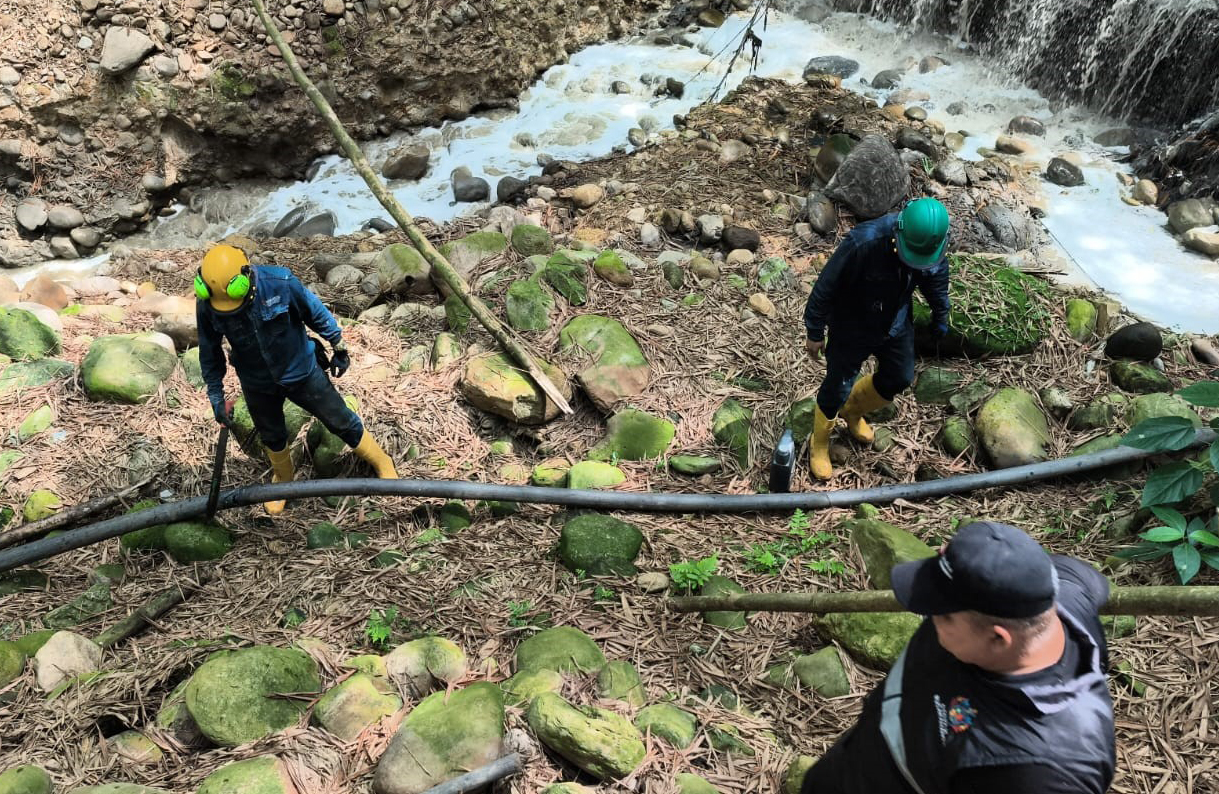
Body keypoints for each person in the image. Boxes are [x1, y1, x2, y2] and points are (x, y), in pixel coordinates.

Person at [800, 521, 1116, 794]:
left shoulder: (1041, 767)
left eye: (944, 616)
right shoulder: (1055, 590)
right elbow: (1089, 580)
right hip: (862, 755)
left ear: (997, 637)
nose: (928, 615)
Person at [196, 244, 398, 515]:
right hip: (256, 381)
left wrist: (339, 346)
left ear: (246, 277)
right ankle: (283, 479)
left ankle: (382, 461)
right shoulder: (209, 304)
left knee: (339, 419)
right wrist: (216, 399)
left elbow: (315, 312)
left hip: (301, 371)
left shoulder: (281, 282)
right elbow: (210, 353)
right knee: (272, 435)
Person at [802, 197, 952, 479]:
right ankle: (819, 442)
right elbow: (827, 284)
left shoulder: (933, 246)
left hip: (895, 322)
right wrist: (814, 330)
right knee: (838, 385)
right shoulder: (864, 242)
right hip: (852, 324)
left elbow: (936, 278)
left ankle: (853, 412)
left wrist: (940, 315)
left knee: (900, 375)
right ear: (900, 232)